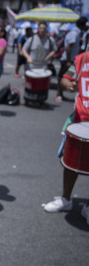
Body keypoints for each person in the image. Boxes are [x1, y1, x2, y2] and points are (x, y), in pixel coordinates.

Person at [42, 50, 89, 224]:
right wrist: (67, 85)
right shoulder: (83, 58)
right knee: (70, 162)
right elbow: (65, 79)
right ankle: (65, 199)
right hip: (79, 120)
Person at [56, 17, 88, 102]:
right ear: (82, 25)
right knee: (62, 77)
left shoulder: (76, 32)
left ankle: (61, 94)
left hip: (70, 59)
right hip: (68, 60)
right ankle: (59, 94)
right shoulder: (74, 33)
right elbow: (68, 47)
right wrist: (69, 60)